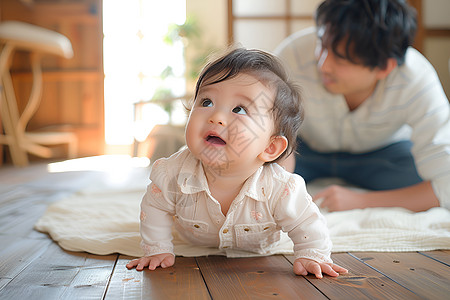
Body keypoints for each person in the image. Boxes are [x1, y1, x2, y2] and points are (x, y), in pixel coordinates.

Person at [126, 48, 347, 278]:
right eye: (207, 101)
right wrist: (157, 247)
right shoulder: (173, 174)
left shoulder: (280, 188)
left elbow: (307, 221)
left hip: (259, 248)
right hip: (194, 241)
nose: (216, 116)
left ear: (270, 147)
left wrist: (312, 254)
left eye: (239, 109)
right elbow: (154, 206)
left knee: (290, 191)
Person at [275, 0, 450, 212]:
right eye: (322, 44)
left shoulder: (416, 79)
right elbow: (267, 129)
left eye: (341, 60)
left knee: (421, 175)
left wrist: (361, 202)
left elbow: (445, 183)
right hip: (303, 150)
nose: (323, 64)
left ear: (385, 67)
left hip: (384, 156)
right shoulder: (291, 56)